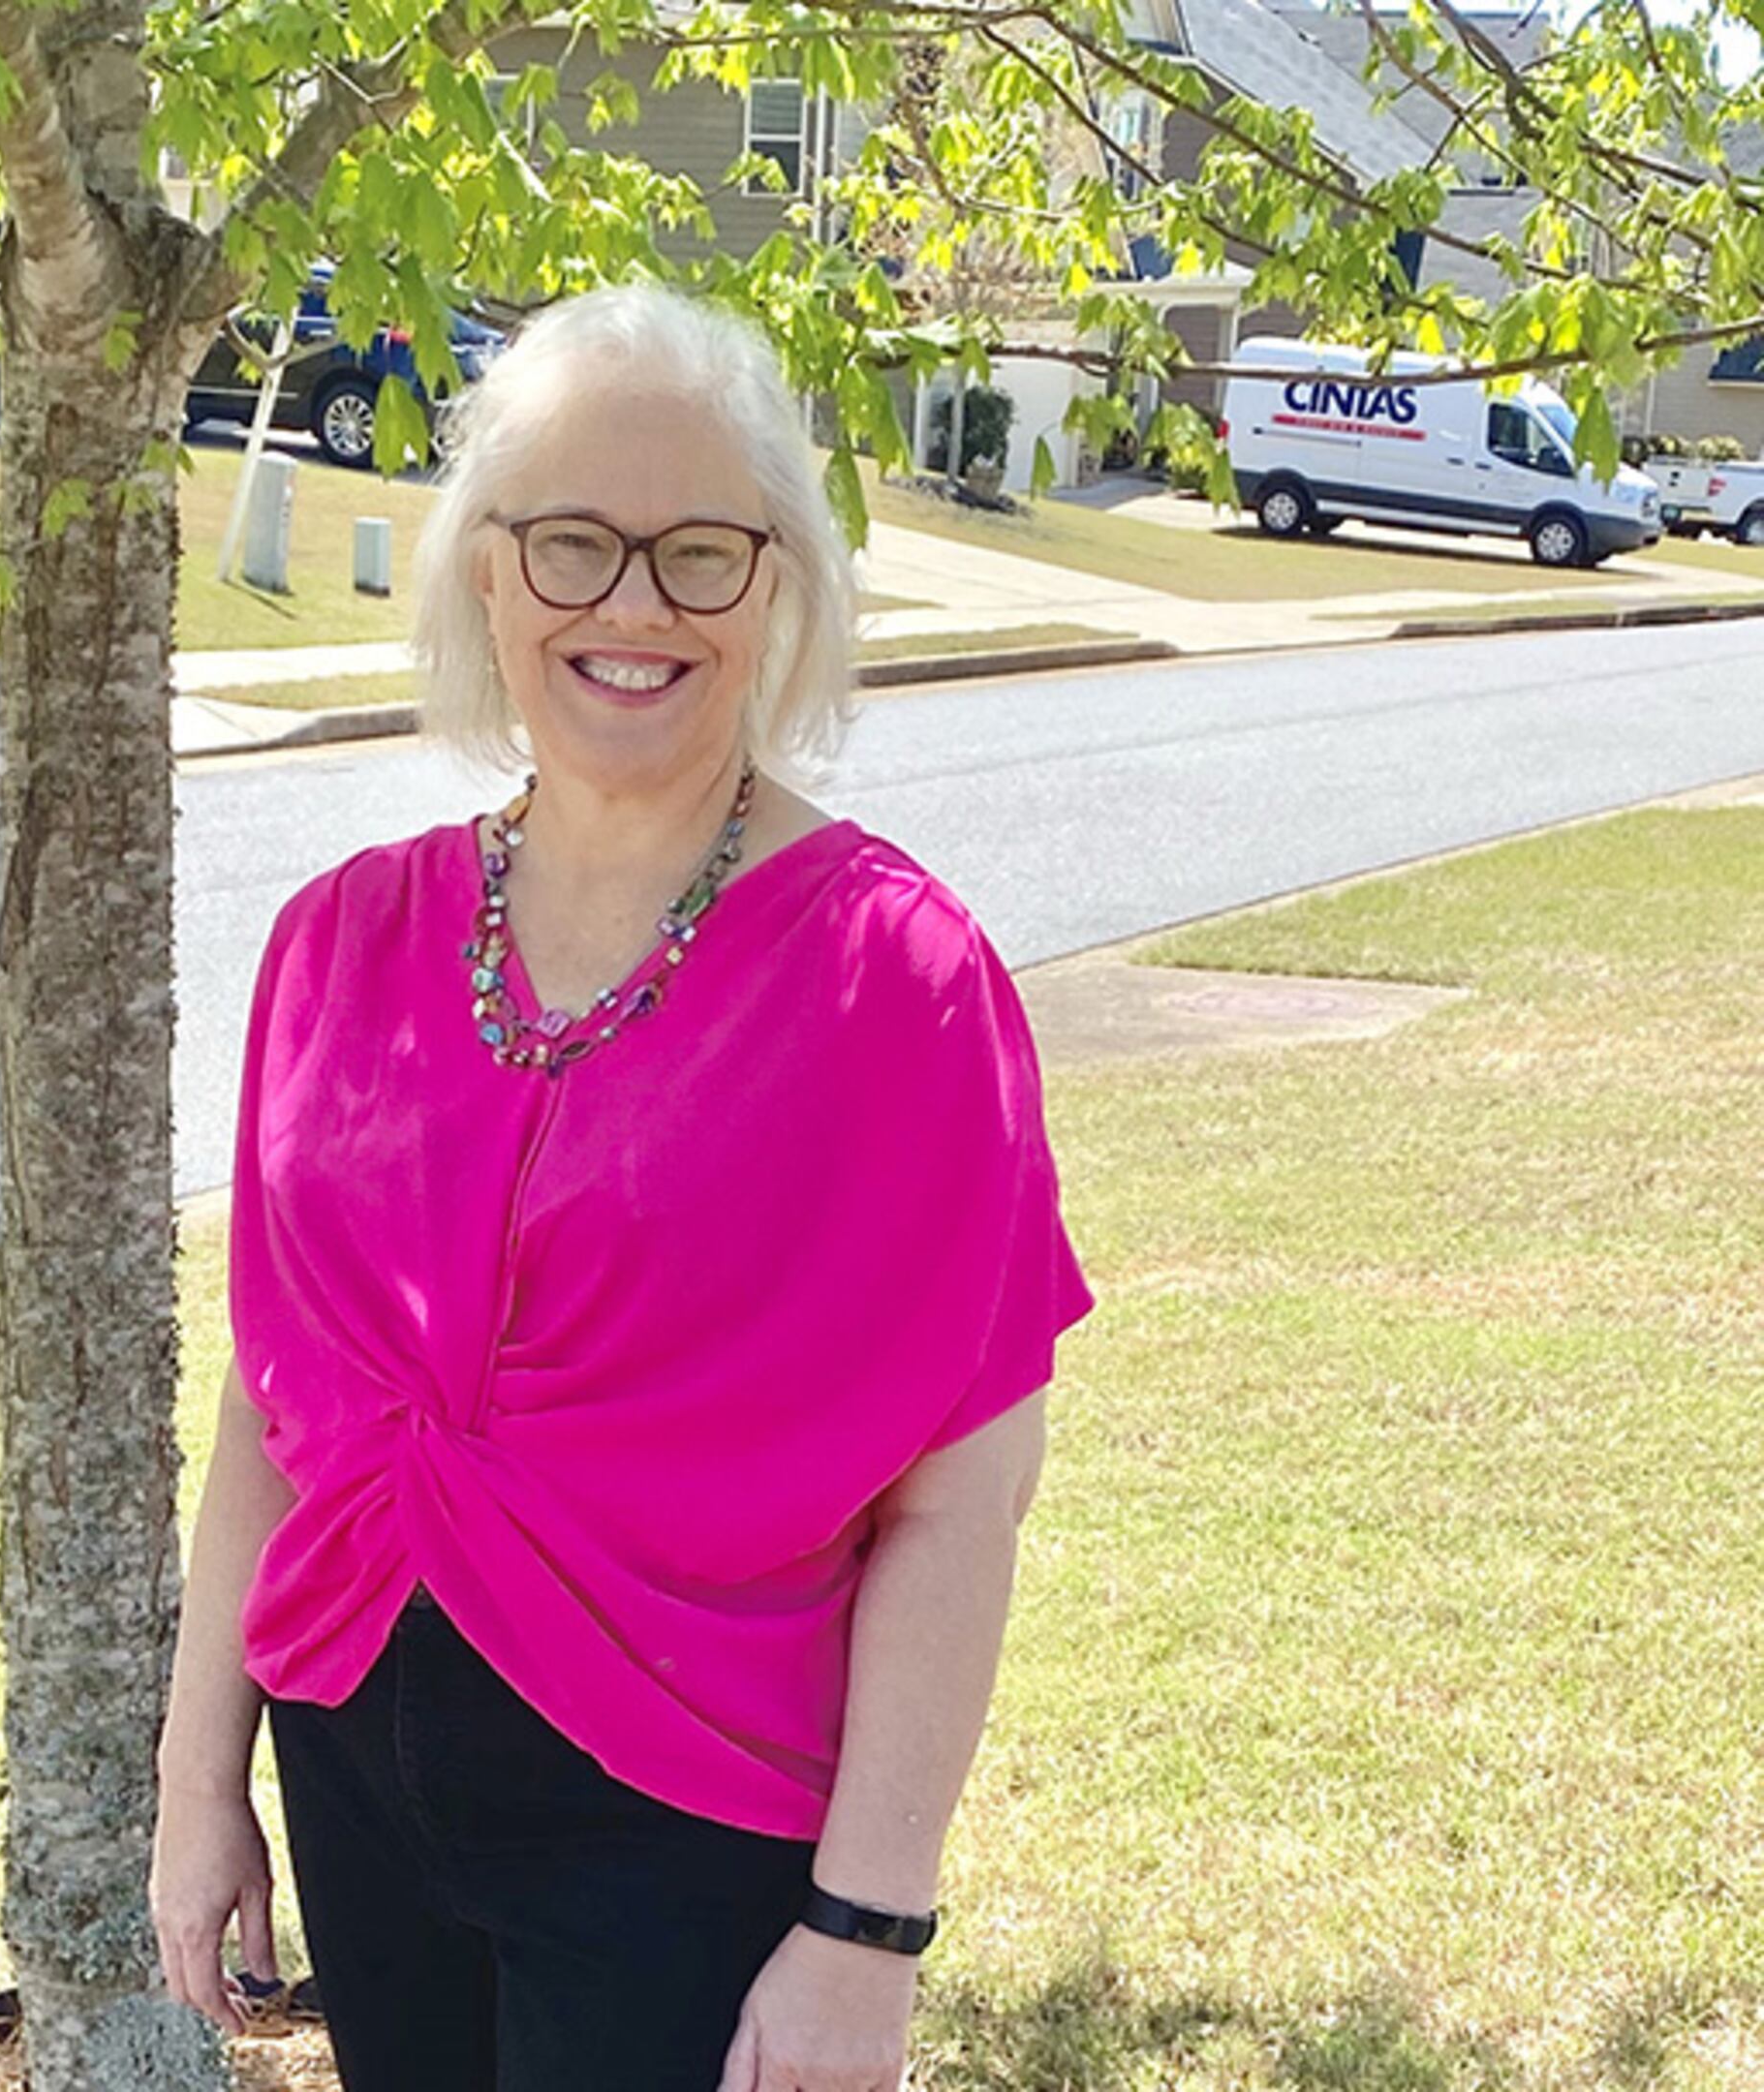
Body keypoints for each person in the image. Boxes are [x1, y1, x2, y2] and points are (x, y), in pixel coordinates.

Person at [148, 284, 1094, 2092]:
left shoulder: (896, 984)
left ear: (780, 587)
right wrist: (203, 1786)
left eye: (701, 553)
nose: (633, 607)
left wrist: (866, 1936)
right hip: (353, 1773)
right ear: (486, 577)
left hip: (685, 1829)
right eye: (573, 545)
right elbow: (273, 1417)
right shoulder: (338, 943)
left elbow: (958, 1505)